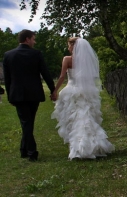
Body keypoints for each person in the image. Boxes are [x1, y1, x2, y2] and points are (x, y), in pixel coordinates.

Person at [51, 37, 114, 160]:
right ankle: (95, 145)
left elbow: (62, 76)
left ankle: (79, 149)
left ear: (73, 46)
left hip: (72, 91)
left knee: (75, 119)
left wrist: (55, 90)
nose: (68, 48)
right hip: (86, 92)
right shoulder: (87, 61)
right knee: (87, 118)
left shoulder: (67, 59)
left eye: (69, 45)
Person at [2, 29, 56, 161]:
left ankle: (24, 150)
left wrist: (10, 96)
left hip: (18, 94)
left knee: (27, 122)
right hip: (34, 94)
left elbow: (7, 79)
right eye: (33, 39)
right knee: (28, 122)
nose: (34, 41)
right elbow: (45, 73)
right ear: (27, 39)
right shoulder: (36, 54)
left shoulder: (8, 55)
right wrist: (53, 89)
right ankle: (32, 152)